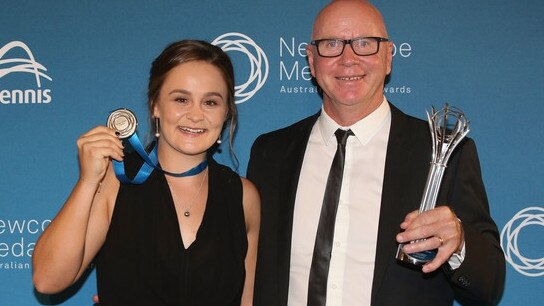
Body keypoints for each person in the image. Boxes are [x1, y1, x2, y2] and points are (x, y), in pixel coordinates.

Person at [247, 1, 504, 305]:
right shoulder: (270, 152)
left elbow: (489, 286)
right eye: (331, 44)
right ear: (312, 61)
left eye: (365, 43)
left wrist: (459, 242)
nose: (348, 59)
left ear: (388, 57)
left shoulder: (443, 150)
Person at [32, 40, 260, 306]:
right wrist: (88, 181)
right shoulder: (116, 180)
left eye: (210, 102)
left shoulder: (243, 197)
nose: (196, 115)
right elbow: (48, 280)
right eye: (181, 99)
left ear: (226, 112)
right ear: (155, 105)